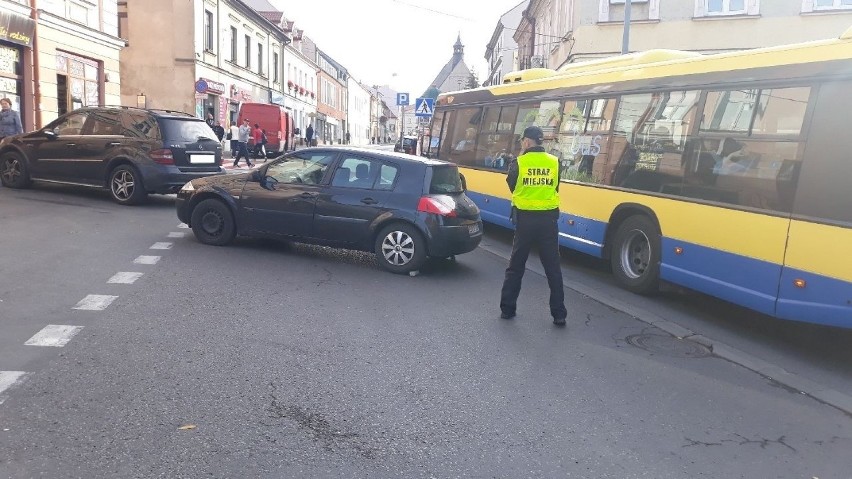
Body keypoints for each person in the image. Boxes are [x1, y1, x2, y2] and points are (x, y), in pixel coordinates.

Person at [499, 126, 568, 326]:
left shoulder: (518, 162)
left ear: (527, 142)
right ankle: (559, 314)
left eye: (523, 141)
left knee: (516, 266)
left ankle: (507, 309)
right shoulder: (555, 162)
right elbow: (555, 187)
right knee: (553, 268)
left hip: (525, 221)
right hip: (548, 222)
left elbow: (512, 186)